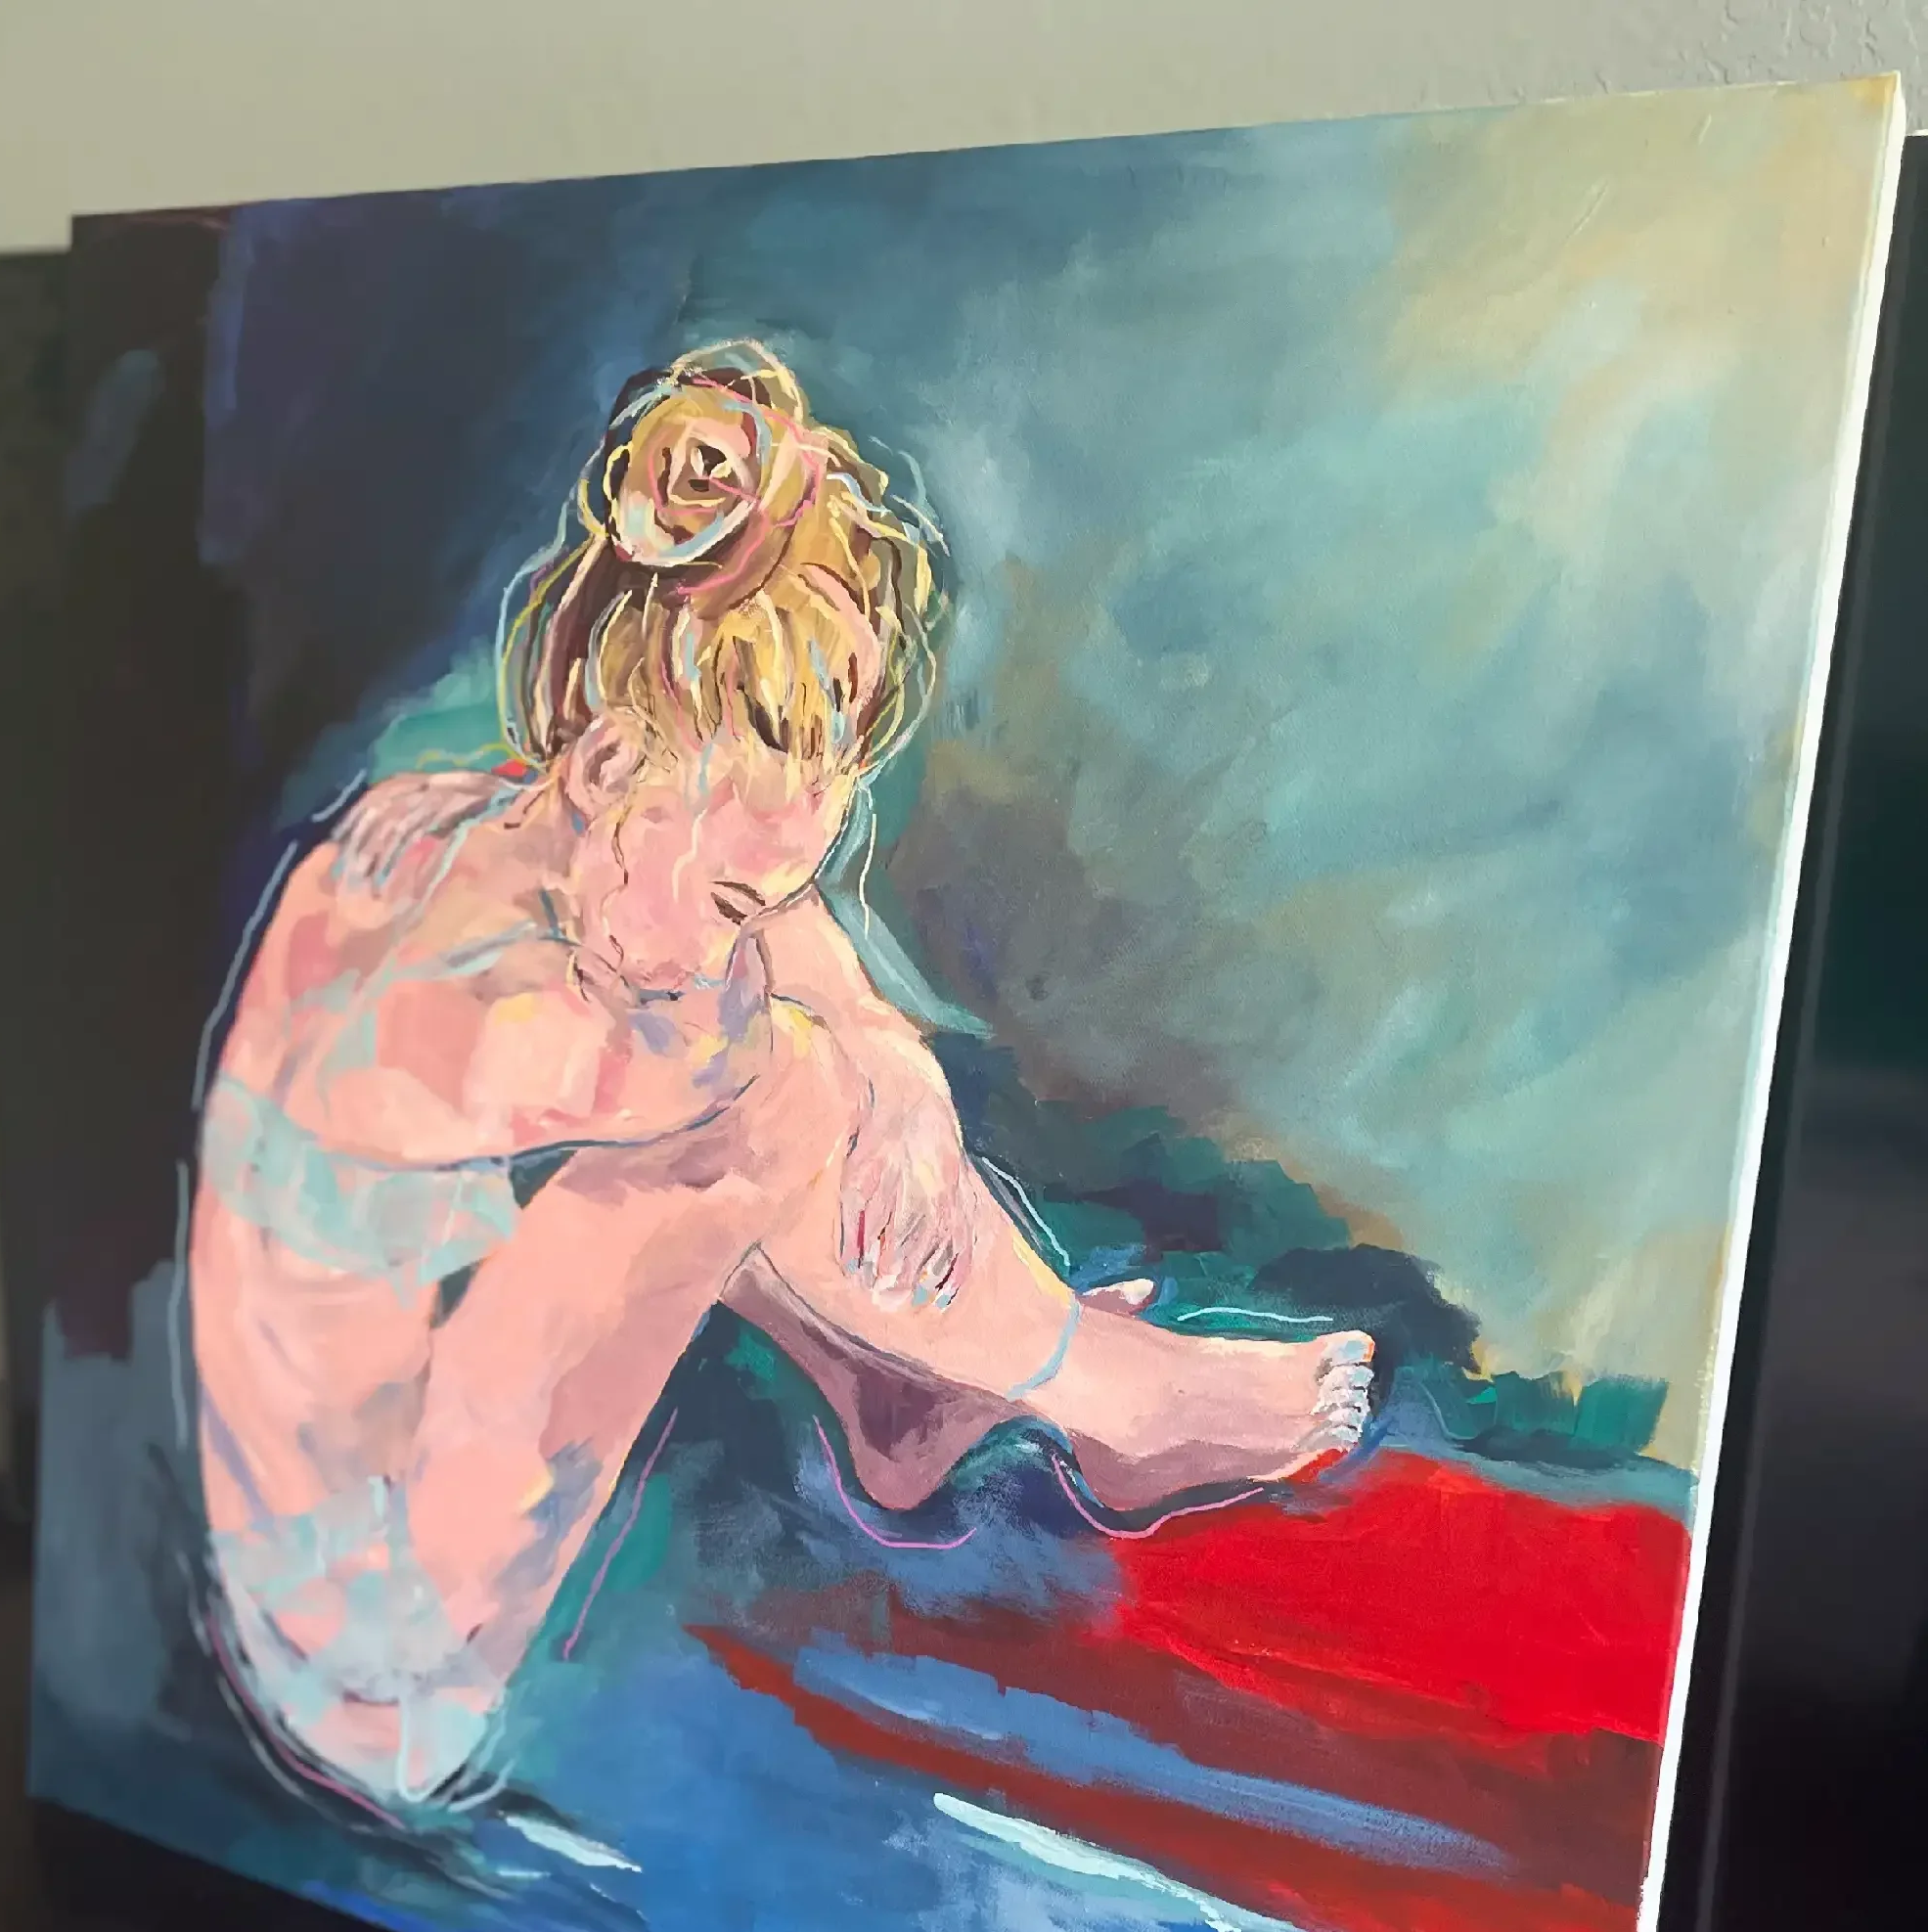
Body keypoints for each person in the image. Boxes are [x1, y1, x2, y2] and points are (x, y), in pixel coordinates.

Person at [188, 340, 1371, 1811]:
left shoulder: (455, 829)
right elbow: (784, 1069)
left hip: (364, 1521)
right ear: (605, 768)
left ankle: (890, 1399)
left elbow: (788, 946)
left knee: (779, 1075)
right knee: (773, 1108)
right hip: (371, 1672)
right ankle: (1115, 1405)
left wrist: (895, 1062)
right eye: (733, 897)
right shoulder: (488, 1025)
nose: (739, 933)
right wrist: (888, 1082)